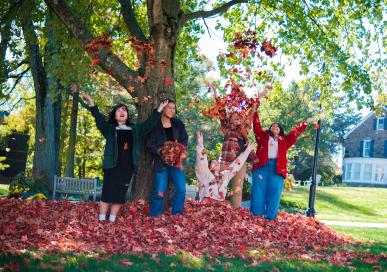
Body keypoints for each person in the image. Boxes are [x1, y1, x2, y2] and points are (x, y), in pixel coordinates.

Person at [81, 93, 168, 222]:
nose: (122, 112)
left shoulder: (135, 130)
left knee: (120, 195)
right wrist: (90, 102)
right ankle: (101, 220)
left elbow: (149, 124)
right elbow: (98, 118)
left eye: (124, 110)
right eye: (119, 110)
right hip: (112, 166)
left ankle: (111, 220)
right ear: (114, 115)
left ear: (127, 115)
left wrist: (159, 109)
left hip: (128, 168)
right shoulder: (109, 129)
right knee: (107, 193)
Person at [250, 102, 315, 220]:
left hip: (278, 168)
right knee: (258, 191)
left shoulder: (285, 140)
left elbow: (295, 133)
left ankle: (270, 218)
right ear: (270, 128)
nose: (275, 127)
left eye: (277, 126)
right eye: (272, 126)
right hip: (262, 166)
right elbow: (256, 127)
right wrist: (254, 112)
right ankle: (256, 216)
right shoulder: (263, 137)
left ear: (280, 129)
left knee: (275, 192)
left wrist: (305, 123)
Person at [215, 91, 259, 208]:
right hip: (226, 161)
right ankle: (216, 211)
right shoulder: (226, 128)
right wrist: (215, 92)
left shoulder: (244, 130)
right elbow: (222, 112)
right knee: (220, 186)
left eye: (238, 117)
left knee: (237, 190)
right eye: (234, 117)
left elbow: (251, 115)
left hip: (240, 163)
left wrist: (258, 98)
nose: (236, 119)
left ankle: (236, 214)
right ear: (229, 120)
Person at [147, 99, 188, 216]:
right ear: (163, 108)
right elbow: (150, 143)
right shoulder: (155, 124)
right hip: (161, 162)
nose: (171, 110)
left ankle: (177, 214)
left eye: (173, 108)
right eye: (169, 107)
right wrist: (160, 151)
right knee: (159, 190)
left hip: (177, 161)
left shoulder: (178, 124)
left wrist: (181, 151)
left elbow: (184, 140)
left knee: (181, 189)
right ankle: (154, 216)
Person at [195, 131, 257, 202]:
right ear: (209, 168)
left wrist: (248, 150)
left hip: (220, 206)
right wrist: (200, 144)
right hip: (206, 206)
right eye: (212, 162)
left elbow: (236, 165)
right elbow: (201, 163)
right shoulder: (205, 175)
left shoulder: (225, 175)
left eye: (216, 161)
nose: (216, 162)